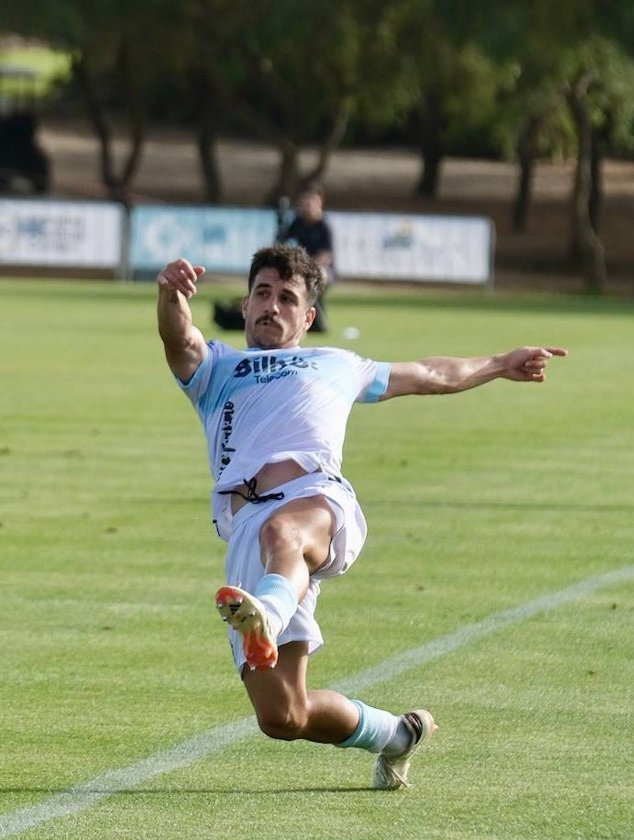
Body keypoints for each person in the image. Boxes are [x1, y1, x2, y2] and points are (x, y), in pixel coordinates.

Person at [156, 244, 566, 789]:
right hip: (247, 531)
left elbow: (429, 372)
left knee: (286, 530)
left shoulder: (337, 364)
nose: (270, 306)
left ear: (307, 317)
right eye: (261, 293)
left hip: (317, 500)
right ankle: (396, 736)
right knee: (283, 716)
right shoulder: (218, 369)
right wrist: (170, 295)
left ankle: (271, 616)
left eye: (286, 298)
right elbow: (178, 338)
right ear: (246, 301)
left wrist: (498, 364)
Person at [278, 183, 335, 332]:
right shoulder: (297, 222)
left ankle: (318, 320)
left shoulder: (323, 226)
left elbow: (326, 256)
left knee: (319, 276)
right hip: (301, 268)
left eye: (311, 200)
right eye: (305, 200)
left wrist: (308, 268)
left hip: (322, 269)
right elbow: (282, 245)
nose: (307, 204)